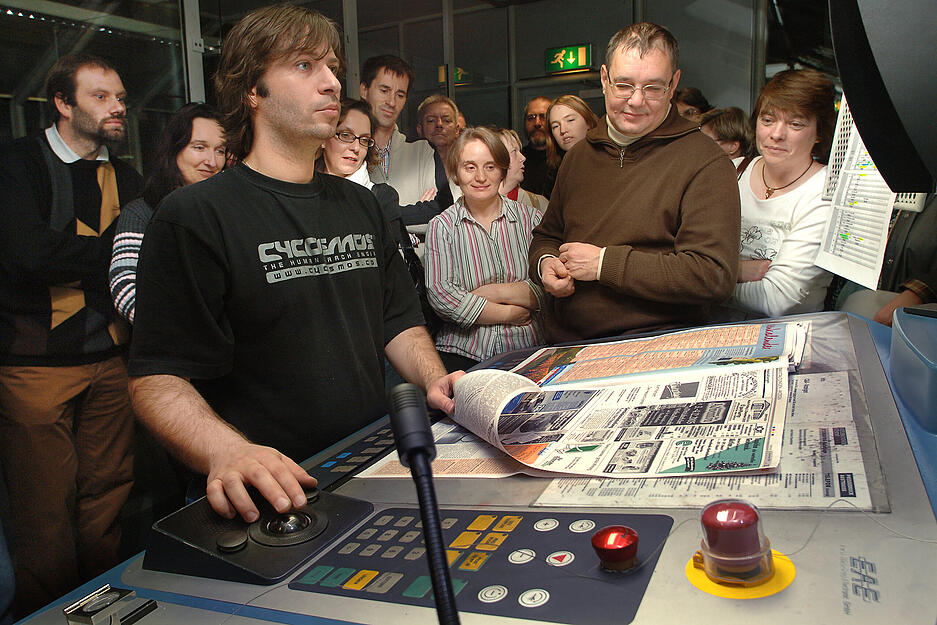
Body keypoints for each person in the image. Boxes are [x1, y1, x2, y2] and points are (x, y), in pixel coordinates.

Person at [127, 5, 460, 525]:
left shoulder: (362, 204)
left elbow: (397, 320)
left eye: (333, 68)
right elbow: (156, 377)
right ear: (252, 90)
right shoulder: (194, 215)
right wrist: (226, 451)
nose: (332, 83)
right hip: (271, 494)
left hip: (373, 463)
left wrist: (434, 379)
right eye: (305, 65)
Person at [0, 53, 142, 615]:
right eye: (100, 97)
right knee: (41, 507)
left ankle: (104, 605)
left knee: (108, 495)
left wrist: (83, 256)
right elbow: (26, 255)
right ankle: (47, 615)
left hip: (112, 358)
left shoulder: (126, 176)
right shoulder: (17, 163)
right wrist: (113, 252)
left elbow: (142, 255)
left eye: (120, 97)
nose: (117, 107)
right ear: (63, 103)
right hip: (33, 366)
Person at [528, 22, 739, 343]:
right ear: (604, 79)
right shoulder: (578, 157)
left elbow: (713, 275)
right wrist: (545, 264)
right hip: (567, 342)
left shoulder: (704, 161)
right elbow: (547, 236)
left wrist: (604, 264)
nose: (636, 101)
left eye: (653, 88)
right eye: (624, 85)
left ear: (673, 84)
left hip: (656, 344)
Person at [425, 127, 544, 372]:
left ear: (502, 171)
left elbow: (547, 287)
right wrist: (510, 314)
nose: (480, 177)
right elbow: (442, 297)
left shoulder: (531, 219)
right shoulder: (442, 227)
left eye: (490, 166)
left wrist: (492, 291)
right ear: (455, 173)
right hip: (463, 353)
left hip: (529, 348)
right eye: (470, 167)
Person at [726, 69, 836, 318]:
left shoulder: (824, 193)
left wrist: (700, 285)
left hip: (787, 334)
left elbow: (778, 299)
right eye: (767, 120)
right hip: (706, 330)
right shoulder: (731, 172)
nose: (776, 134)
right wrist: (738, 270)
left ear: (820, 132)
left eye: (795, 124)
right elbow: (676, 257)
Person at [110, 103, 226, 323]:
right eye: (199, 147)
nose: (212, 161)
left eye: (220, 150)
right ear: (174, 150)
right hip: (176, 339)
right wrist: (185, 328)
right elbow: (125, 289)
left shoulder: (227, 211)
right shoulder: (142, 212)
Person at [360, 55, 448, 218]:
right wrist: (418, 211)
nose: (392, 102)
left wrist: (377, 216)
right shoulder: (351, 151)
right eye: (384, 91)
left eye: (400, 95)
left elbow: (442, 211)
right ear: (364, 90)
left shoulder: (423, 150)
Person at [416, 94, 462, 204]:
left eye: (447, 120)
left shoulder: (468, 168)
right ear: (420, 129)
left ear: (457, 130)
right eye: (431, 120)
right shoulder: (410, 171)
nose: (439, 124)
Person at [498, 128, 548, 213]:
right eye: (514, 151)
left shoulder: (539, 204)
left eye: (520, 151)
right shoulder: (477, 202)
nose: (523, 158)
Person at [546, 94, 599, 173]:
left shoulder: (609, 160)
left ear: (588, 122)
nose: (563, 130)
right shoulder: (555, 172)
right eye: (555, 126)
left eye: (570, 120)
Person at [520, 96, 554, 198]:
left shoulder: (565, 159)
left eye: (543, 117)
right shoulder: (517, 161)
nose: (537, 123)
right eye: (531, 117)